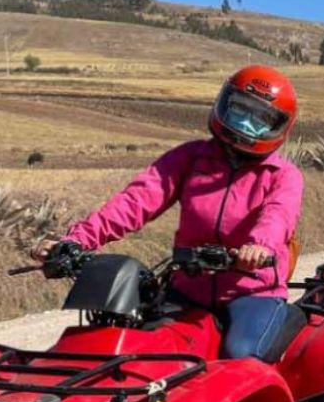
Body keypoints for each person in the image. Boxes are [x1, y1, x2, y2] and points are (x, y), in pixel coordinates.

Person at [34, 65, 303, 361]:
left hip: (251, 292)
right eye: (241, 108)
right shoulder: (190, 158)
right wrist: (77, 241)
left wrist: (259, 247)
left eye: (262, 117)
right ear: (225, 103)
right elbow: (135, 201)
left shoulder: (283, 175)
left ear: (279, 126)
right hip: (188, 288)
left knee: (240, 354)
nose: (247, 122)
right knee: (138, 345)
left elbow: (278, 215)